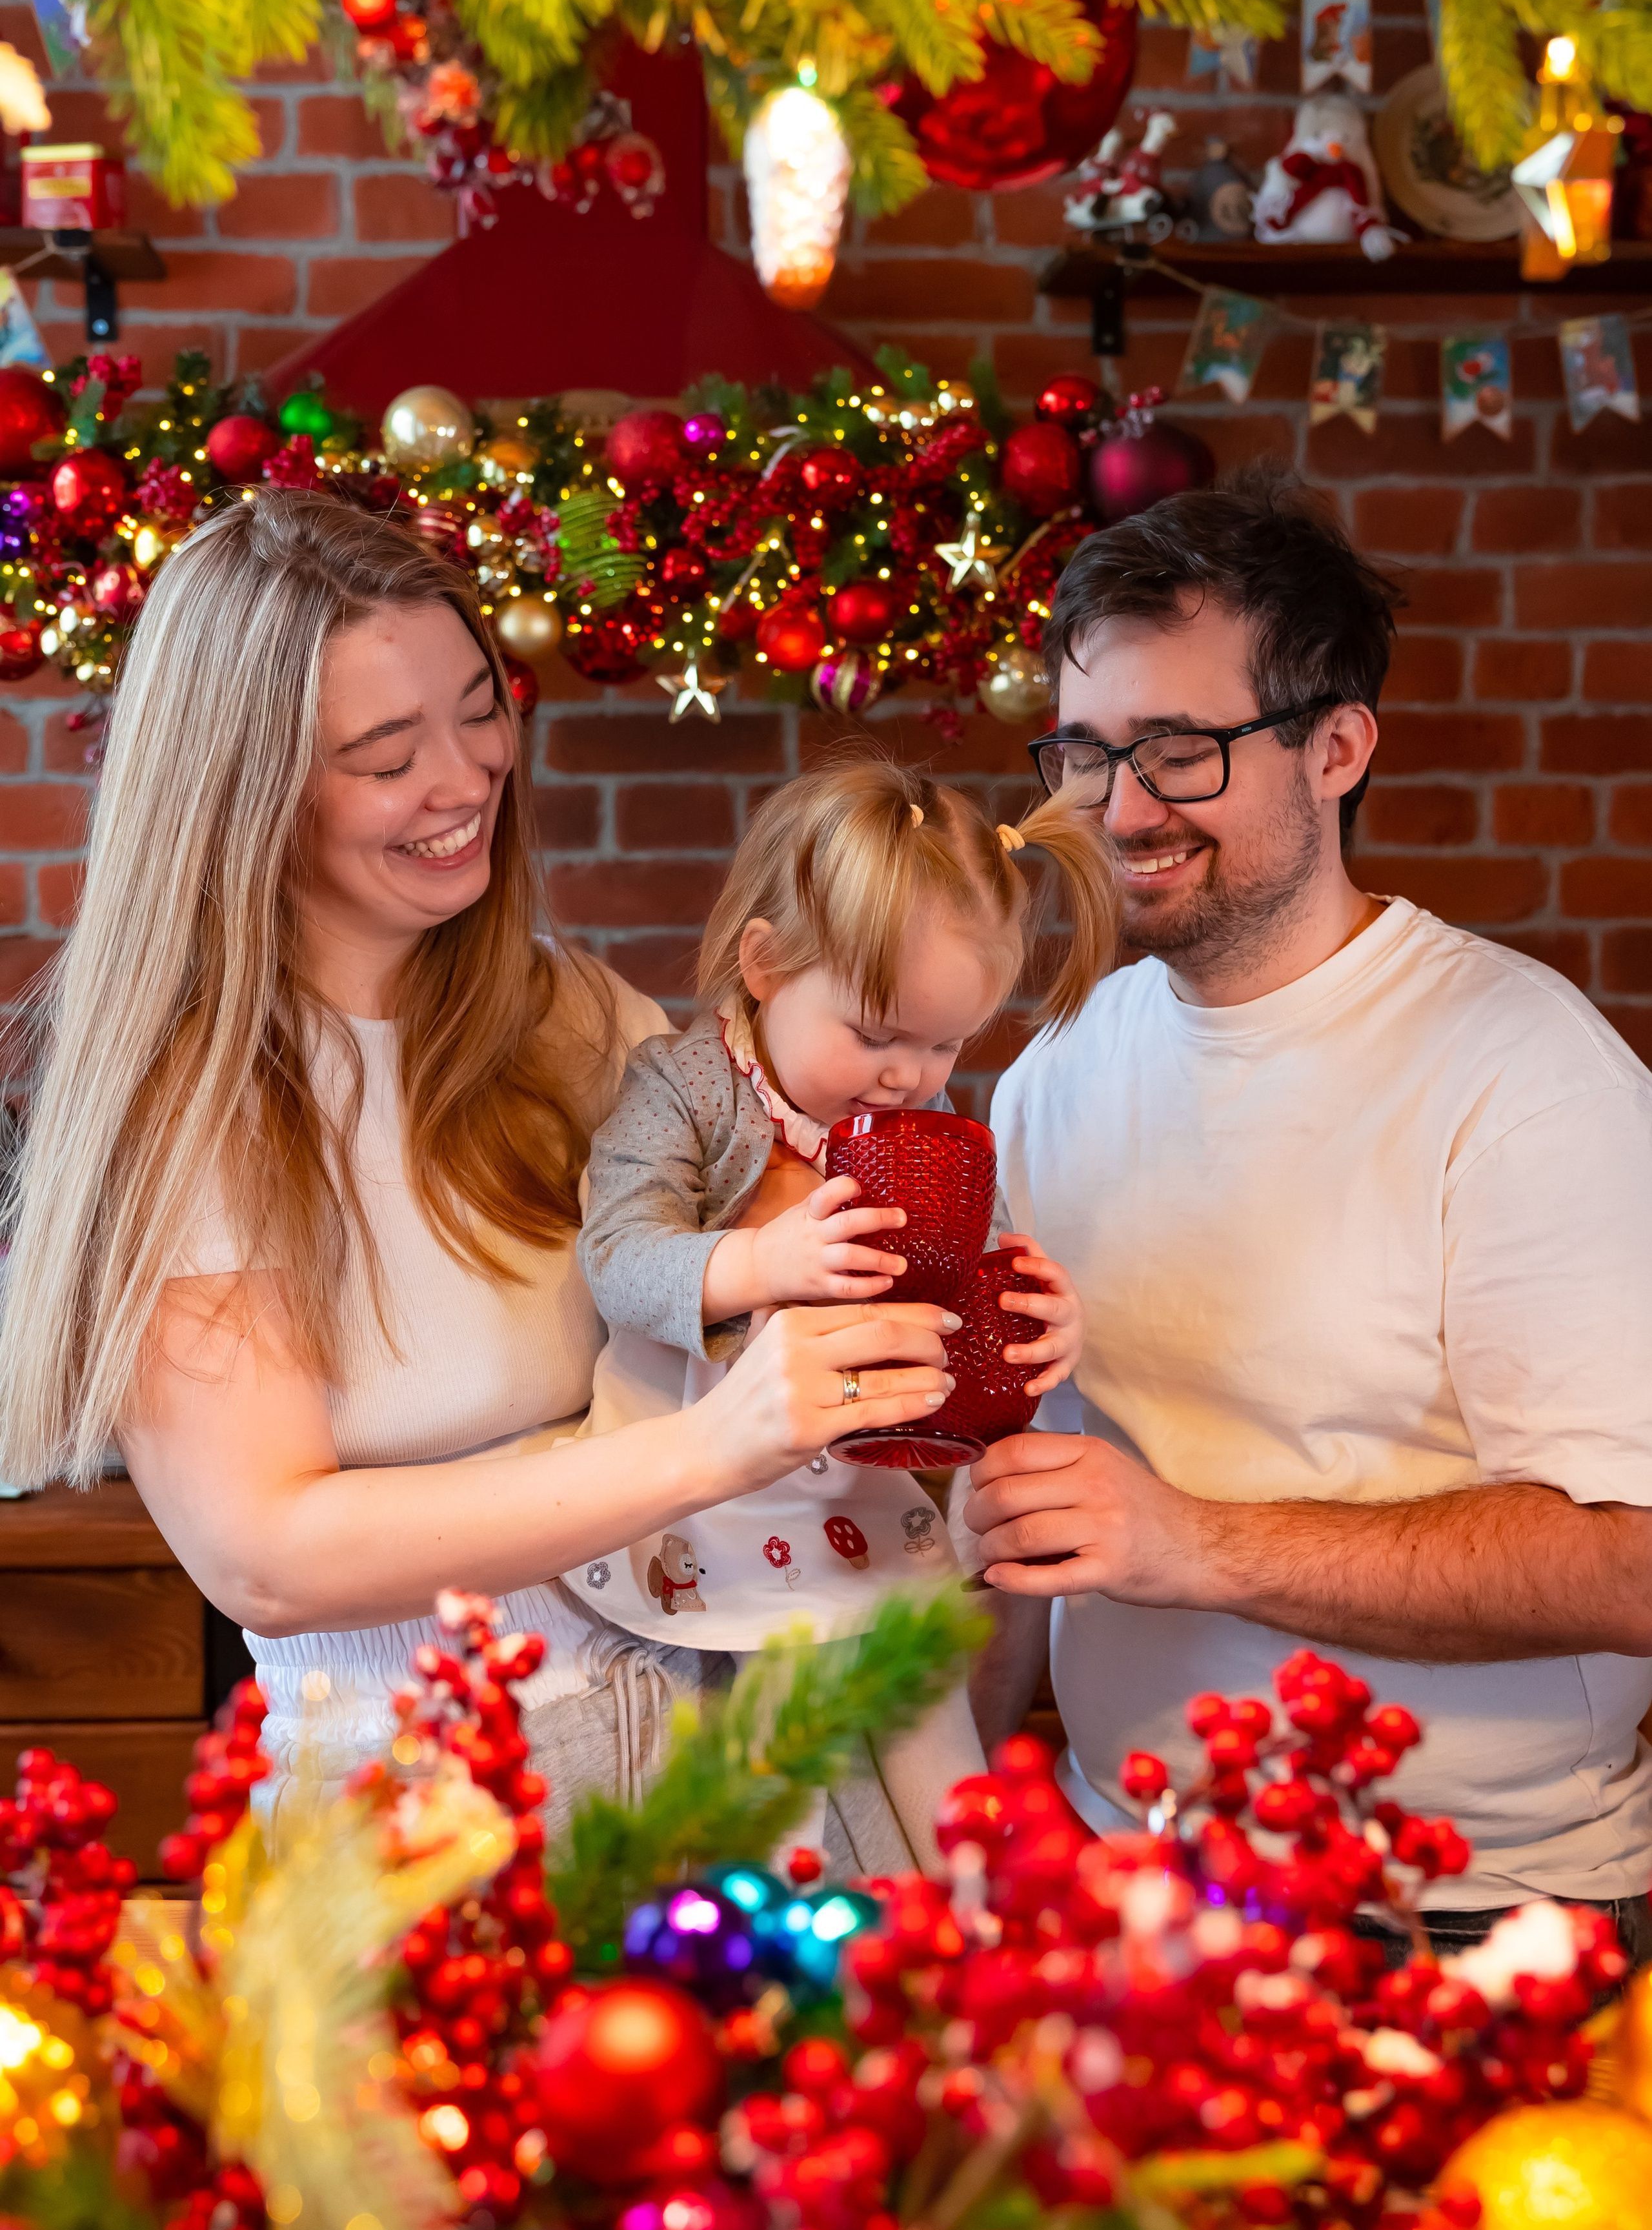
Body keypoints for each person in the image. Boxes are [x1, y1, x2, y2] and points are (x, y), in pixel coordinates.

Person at [0, 491, 959, 1829]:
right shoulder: (189, 1106)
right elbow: (270, 1558)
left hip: (712, 1751)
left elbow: (753, 1296)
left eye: (477, 707)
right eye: (388, 752)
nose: (464, 779)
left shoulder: (577, 1018)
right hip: (418, 1806)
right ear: (245, 791)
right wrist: (709, 1449)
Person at [967, 464, 1652, 1958]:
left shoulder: (1523, 1070)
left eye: (1177, 751)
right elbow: (1037, 1485)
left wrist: (1196, 1544)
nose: (1119, 809)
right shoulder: (1055, 1068)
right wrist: (939, 1805)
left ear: (1334, 745)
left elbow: (1626, 1558)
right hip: (1118, 1870)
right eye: (1084, 755)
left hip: (1465, 1915)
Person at [571, 756, 1105, 1864]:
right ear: (764, 965)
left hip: (859, 1485)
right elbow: (617, 1257)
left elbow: (964, 1289)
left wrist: (1030, 1316)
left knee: (926, 1739)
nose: (912, 1076)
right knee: (766, 1753)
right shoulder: (684, 1089)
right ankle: (794, 1934)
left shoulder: (922, 1128)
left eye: (946, 1043)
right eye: (875, 1033)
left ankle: (965, 1931)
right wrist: (761, 1262)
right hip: (706, 1487)